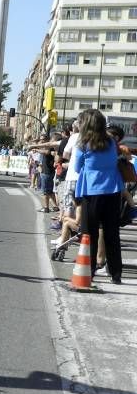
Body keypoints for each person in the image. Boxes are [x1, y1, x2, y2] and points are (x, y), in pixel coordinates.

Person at [73, 109, 123, 284]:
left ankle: (90, 270)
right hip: (113, 189)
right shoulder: (111, 142)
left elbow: (77, 168)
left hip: (92, 191)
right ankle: (116, 273)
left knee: (89, 234)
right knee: (112, 233)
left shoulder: (83, 144)